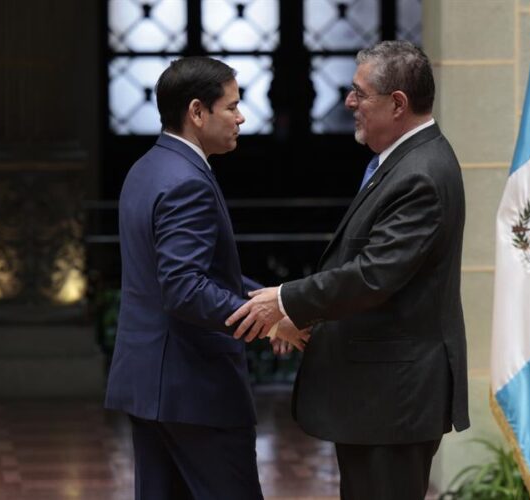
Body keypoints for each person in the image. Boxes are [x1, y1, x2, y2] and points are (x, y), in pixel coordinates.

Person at [227, 41, 469, 500]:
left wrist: (284, 300)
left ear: (397, 103)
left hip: (393, 400)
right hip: (378, 397)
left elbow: (373, 275)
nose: (348, 103)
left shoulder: (420, 173)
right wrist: (303, 313)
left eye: (360, 93)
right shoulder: (399, 162)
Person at [104, 56, 307, 500]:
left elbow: (203, 274)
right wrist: (270, 320)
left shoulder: (147, 167)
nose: (241, 116)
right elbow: (185, 288)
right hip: (195, 390)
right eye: (231, 107)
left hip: (152, 386)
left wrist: (272, 301)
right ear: (197, 112)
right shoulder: (186, 181)